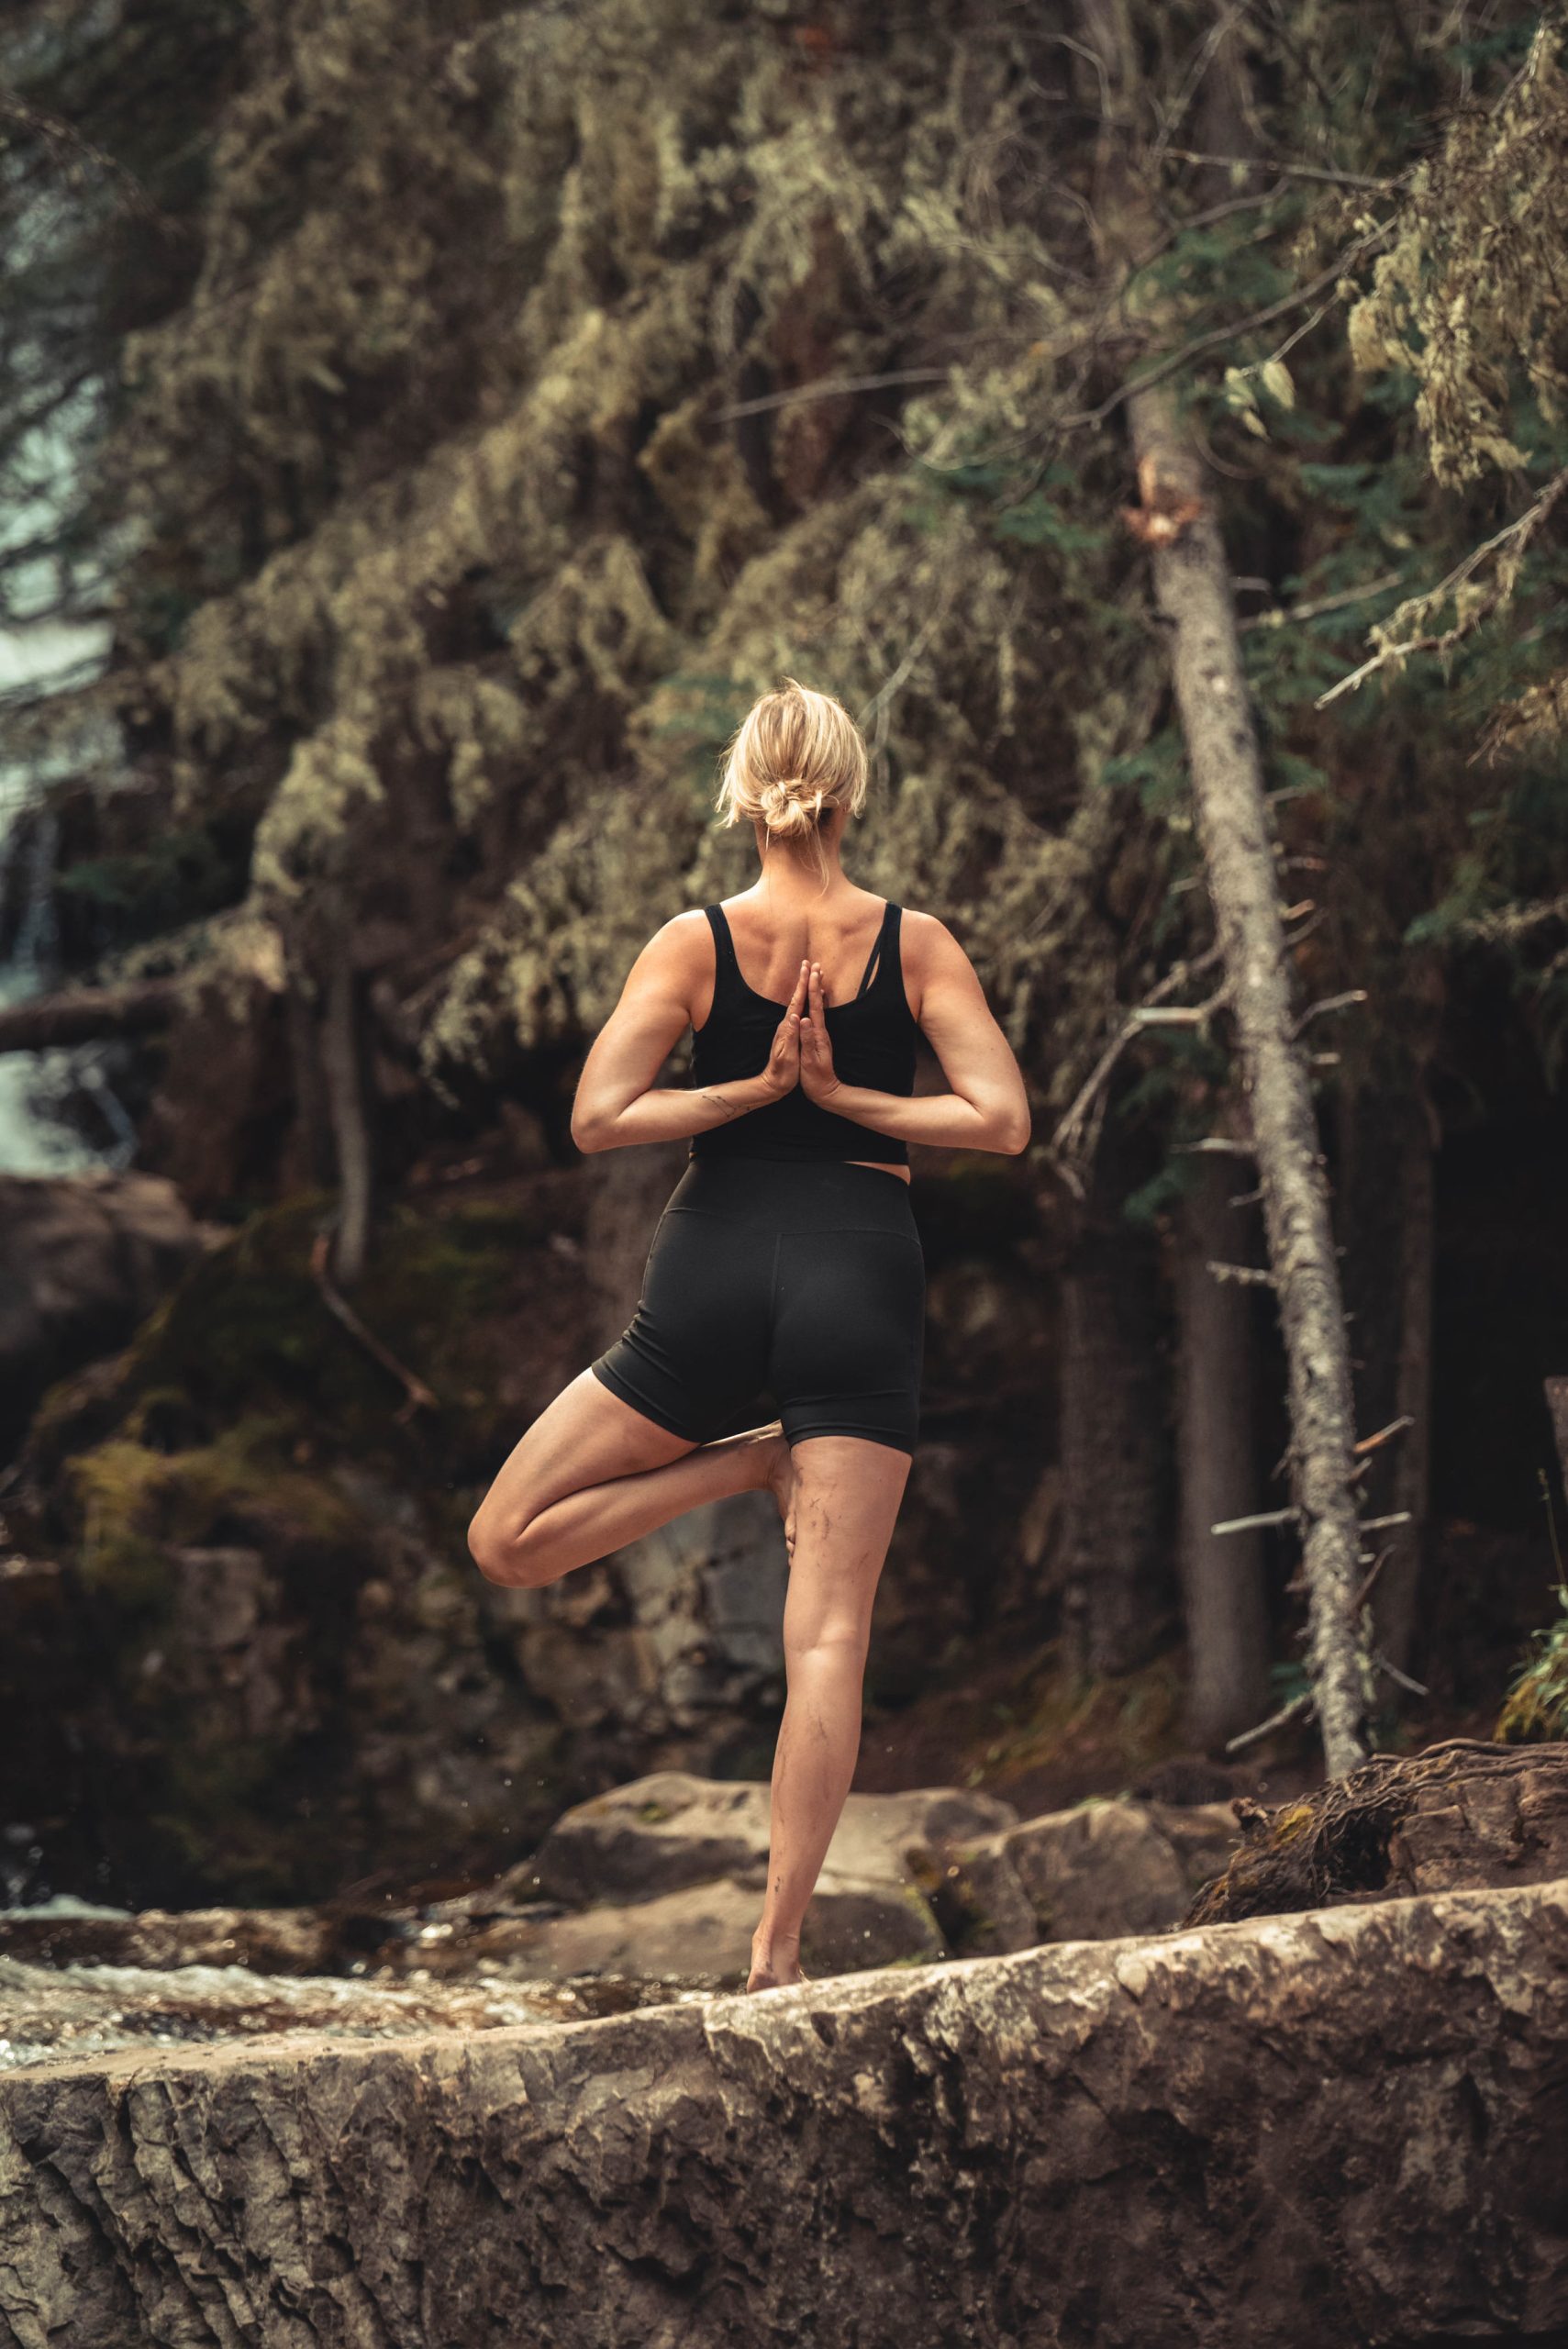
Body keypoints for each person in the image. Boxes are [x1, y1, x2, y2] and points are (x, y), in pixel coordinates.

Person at [468, 678, 1029, 1991]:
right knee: (825, 1640)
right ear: (851, 787)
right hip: (861, 1276)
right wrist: (847, 1100)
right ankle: (776, 1955)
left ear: (743, 790)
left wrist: (750, 1091)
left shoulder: (693, 942)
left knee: (505, 1542)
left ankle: (740, 1462)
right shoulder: (915, 941)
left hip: (710, 1272)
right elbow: (999, 1122)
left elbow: (600, 1117)